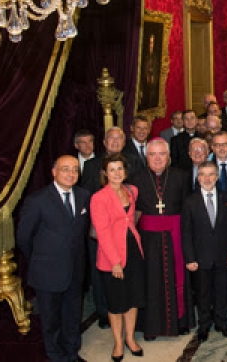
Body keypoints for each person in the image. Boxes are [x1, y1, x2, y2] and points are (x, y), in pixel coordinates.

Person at [17, 155, 91, 362]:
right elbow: (24, 237)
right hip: (47, 271)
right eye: (65, 169)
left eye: (75, 169)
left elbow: (81, 232)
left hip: (75, 270)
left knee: (73, 316)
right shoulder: (37, 200)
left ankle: (71, 353)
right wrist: (40, 259)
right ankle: (56, 356)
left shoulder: (84, 195)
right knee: (51, 320)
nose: (71, 173)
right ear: (54, 172)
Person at [80, 126, 142, 330]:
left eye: (119, 139)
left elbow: (136, 201)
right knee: (104, 281)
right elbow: (85, 198)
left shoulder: (133, 164)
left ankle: (130, 330)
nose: (115, 142)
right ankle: (104, 312)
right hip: (100, 233)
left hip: (128, 237)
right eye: (110, 139)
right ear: (104, 142)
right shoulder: (91, 166)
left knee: (131, 288)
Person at [131, 138, 192, 339]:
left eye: (162, 154)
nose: (157, 159)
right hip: (148, 241)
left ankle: (180, 321)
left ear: (169, 157)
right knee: (151, 280)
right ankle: (152, 325)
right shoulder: (136, 179)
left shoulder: (181, 176)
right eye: (152, 154)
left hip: (175, 235)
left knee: (177, 279)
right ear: (146, 156)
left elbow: (187, 208)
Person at [90, 154, 145, 361]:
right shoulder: (99, 197)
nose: (116, 173)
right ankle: (118, 342)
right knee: (116, 303)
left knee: (132, 299)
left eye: (120, 169)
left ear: (125, 171)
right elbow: (102, 232)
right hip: (112, 256)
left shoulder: (131, 191)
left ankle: (130, 338)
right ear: (105, 173)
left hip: (133, 251)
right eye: (112, 169)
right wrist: (115, 262)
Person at [181, 161, 227, 342]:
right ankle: (204, 325)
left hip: (223, 256)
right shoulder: (190, 201)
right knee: (203, 293)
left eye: (211, 174)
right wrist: (189, 258)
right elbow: (186, 232)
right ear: (198, 178)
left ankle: (221, 322)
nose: (207, 178)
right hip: (200, 257)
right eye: (203, 174)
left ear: (217, 176)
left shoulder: (226, 198)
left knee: (222, 291)